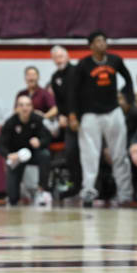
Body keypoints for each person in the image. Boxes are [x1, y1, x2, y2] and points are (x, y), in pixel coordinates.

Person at [68, 30, 134, 205]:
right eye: (98, 41)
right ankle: (88, 190)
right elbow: (72, 91)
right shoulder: (83, 65)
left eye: (104, 40)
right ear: (91, 46)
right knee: (89, 155)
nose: (102, 44)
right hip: (90, 115)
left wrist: (128, 100)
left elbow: (128, 80)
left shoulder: (115, 60)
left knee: (119, 154)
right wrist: (73, 115)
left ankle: (125, 193)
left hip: (113, 111)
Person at [0, 95, 53, 206]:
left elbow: (48, 138)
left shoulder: (38, 120)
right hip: (17, 156)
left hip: (34, 154)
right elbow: (1, 145)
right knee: (13, 198)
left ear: (32, 107)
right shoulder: (10, 123)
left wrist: (40, 142)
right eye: (21, 105)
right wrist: (9, 155)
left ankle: (42, 191)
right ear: (17, 108)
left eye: (28, 105)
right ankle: (13, 196)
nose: (25, 108)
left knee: (45, 155)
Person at [49, 46, 81, 198]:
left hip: (83, 119)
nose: (59, 58)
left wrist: (75, 115)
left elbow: (81, 95)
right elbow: (59, 101)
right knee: (70, 153)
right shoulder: (55, 77)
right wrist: (62, 115)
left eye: (61, 55)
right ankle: (75, 186)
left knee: (89, 154)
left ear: (68, 56)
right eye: (56, 56)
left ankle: (94, 186)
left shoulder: (77, 71)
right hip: (68, 122)